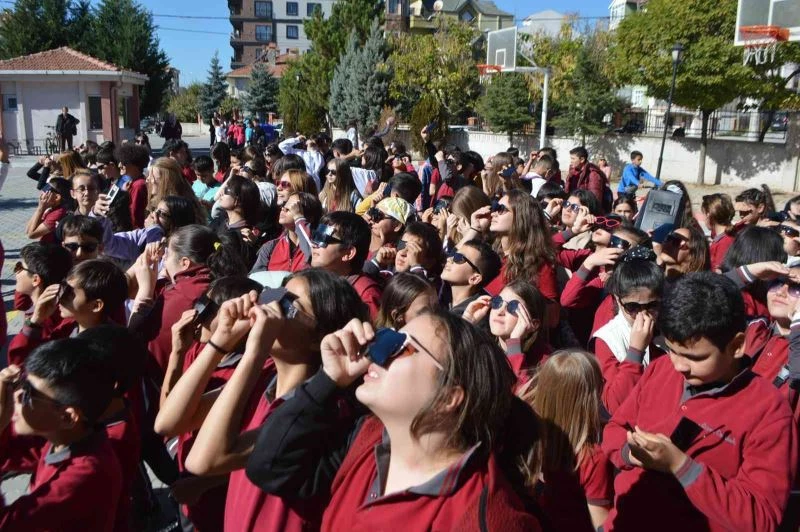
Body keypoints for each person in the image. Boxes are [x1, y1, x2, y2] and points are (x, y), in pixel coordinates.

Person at [244, 311, 542, 530]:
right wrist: (329, 379)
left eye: (401, 345)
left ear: (449, 396)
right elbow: (269, 468)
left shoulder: (487, 519)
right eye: (387, 335)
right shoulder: (366, 438)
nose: (377, 348)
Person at [164, 270, 369, 531]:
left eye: (287, 304)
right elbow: (170, 422)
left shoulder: (318, 410)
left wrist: (255, 351)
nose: (270, 307)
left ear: (319, 337)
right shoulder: (264, 379)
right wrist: (221, 340)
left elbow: (203, 461)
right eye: (276, 295)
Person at [602, 272, 796, 531]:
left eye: (695, 358)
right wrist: (631, 454)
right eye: (672, 350)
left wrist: (681, 466)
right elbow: (614, 431)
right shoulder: (661, 369)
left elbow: (761, 517)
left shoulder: (768, 411)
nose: (680, 366)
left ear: (737, 345)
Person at [0, 338, 122, 530]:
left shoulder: (84, 475)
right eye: (21, 383)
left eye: (28, 394)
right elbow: (8, 454)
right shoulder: (61, 439)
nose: (16, 396)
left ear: (66, 417)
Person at [519, 350, 613, 531]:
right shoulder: (591, 458)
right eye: (600, 383)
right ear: (587, 400)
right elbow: (601, 523)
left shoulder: (530, 434)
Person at [7, 259, 128, 367]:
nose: (61, 296)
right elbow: (21, 366)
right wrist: (35, 321)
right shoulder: (68, 327)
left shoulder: (110, 351)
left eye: (69, 293)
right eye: (63, 287)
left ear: (96, 305)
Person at [464, 190, 559, 326]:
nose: (493, 213)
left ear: (521, 217)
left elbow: (552, 318)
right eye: (494, 207)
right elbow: (451, 264)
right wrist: (475, 229)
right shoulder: (492, 255)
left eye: (501, 209)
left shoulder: (538, 263)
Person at [590, 256, 665, 413]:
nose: (643, 314)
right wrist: (635, 352)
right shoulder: (607, 338)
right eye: (632, 307)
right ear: (618, 300)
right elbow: (615, 404)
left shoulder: (669, 327)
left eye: (652, 305)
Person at [463, 279, 550, 385]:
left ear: (534, 324)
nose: (500, 311)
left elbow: (518, 391)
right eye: (497, 302)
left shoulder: (545, 362)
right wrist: (465, 324)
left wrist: (514, 343)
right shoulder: (482, 347)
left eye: (512, 307)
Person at [309, 211, 383, 319]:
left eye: (324, 239)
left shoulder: (365, 294)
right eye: (315, 236)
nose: (314, 244)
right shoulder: (312, 280)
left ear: (348, 253)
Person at [250, 192, 321, 273]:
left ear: (309, 217)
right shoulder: (270, 247)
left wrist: (298, 218)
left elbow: (310, 253)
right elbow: (255, 278)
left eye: (293, 207)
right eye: (284, 205)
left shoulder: (318, 247)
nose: (284, 209)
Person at [440, 239, 501, 317]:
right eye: (453, 254)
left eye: (459, 257)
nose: (449, 259)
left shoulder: (477, 316)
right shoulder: (438, 297)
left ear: (474, 278)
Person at [25, 177, 73, 244]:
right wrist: (40, 208)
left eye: (46, 189)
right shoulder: (51, 209)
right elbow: (27, 230)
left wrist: (40, 209)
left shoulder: (58, 213)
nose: (42, 192)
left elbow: (31, 234)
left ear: (57, 197)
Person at [116, 144, 151, 229]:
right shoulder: (134, 182)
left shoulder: (138, 185)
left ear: (134, 165)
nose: (119, 165)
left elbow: (133, 215)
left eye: (124, 162)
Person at [701, 193, 736, 271]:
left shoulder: (725, 242)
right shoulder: (722, 237)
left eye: (703, 214)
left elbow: (719, 274)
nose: (703, 219)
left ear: (708, 215)